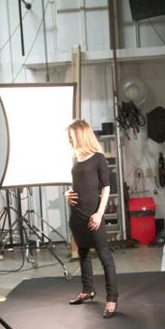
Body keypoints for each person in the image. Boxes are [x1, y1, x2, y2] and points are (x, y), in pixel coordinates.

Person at [64, 119, 119, 318]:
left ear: (81, 134)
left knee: (105, 256)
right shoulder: (75, 158)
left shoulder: (98, 158)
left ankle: (112, 298)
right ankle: (87, 290)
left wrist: (99, 213)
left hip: (92, 214)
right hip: (76, 215)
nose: (70, 140)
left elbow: (106, 187)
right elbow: (76, 185)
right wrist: (66, 194)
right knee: (84, 254)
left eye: (71, 136)